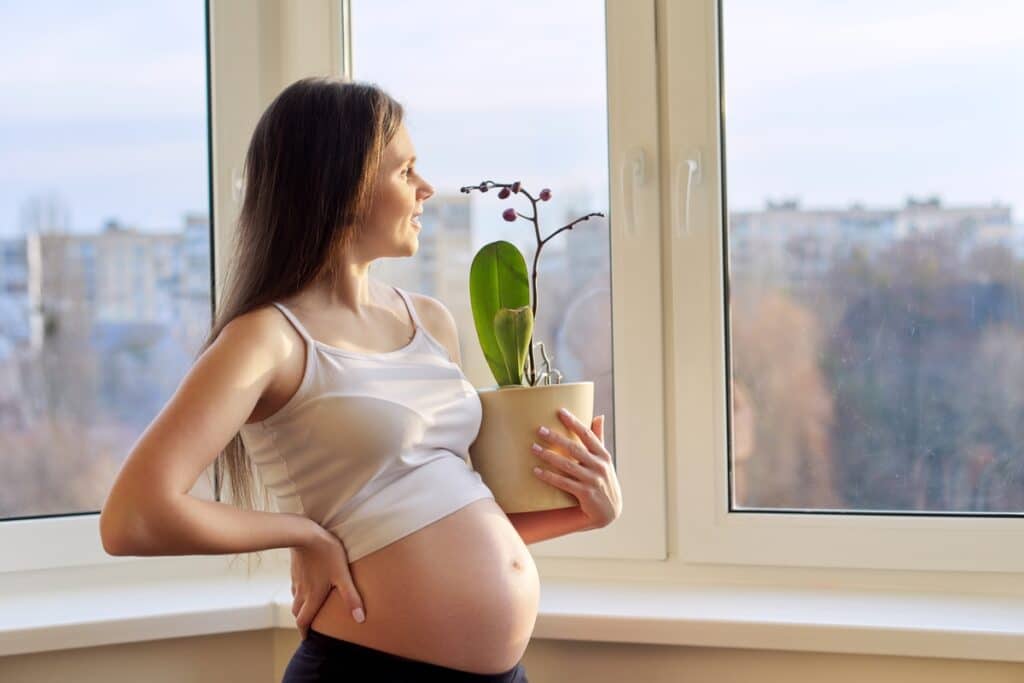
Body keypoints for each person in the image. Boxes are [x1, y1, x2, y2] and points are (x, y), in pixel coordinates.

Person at [99, 76, 622, 682]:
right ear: (339, 186)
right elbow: (133, 515)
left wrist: (585, 510)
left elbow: (437, 520)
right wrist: (303, 533)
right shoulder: (268, 339)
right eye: (405, 172)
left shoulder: (428, 320)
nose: (427, 189)